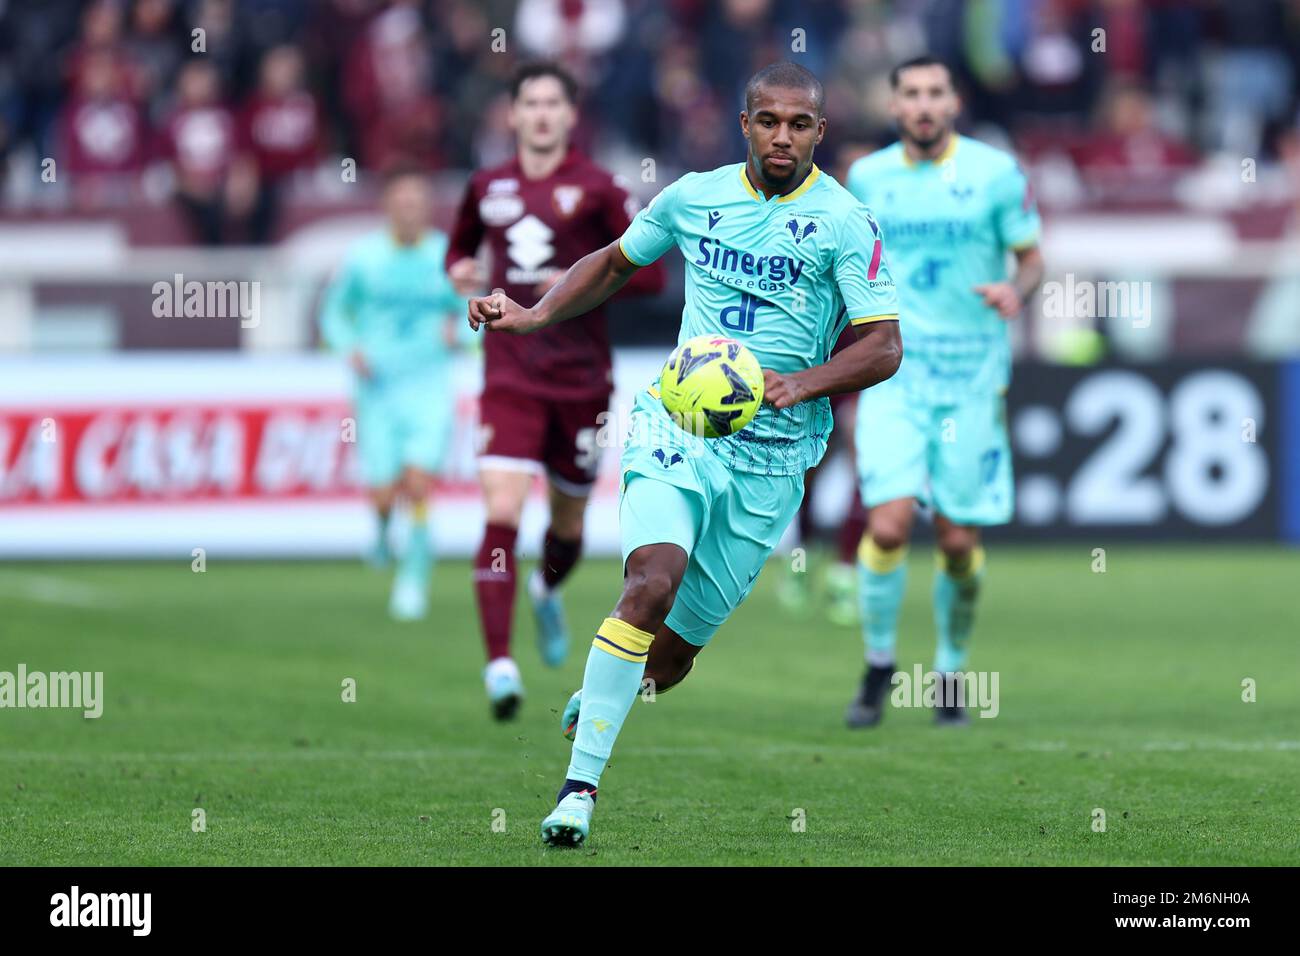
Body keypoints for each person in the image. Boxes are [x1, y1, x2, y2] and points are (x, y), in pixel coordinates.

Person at [468, 61, 902, 846]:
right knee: (649, 584)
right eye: (769, 120)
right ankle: (578, 792)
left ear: (819, 133)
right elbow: (611, 263)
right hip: (678, 426)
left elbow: (884, 347)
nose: (783, 136)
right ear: (744, 123)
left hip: (772, 460)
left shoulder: (847, 222)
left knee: (667, 663)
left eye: (799, 125)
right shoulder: (693, 196)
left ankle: (613, 684)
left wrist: (805, 383)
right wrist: (533, 315)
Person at [446, 61, 663, 720]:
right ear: (511, 115)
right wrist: (468, 284)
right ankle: (499, 665)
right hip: (509, 372)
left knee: (567, 524)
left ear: (571, 116)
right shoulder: (486, 187)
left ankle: (544, 589)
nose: (540, 114)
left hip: (582, 380)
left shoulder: (599, 189)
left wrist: (581, 277)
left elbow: (649, 275)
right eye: (529, 103)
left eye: (552, 103)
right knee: (502, 510)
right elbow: (458, 257)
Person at [843, 55, 1044, 727]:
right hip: (892, 374)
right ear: (895, 106)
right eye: (911, 94)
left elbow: (1033, 256)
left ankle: (952, 672)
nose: (924, 105)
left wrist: (1015, 290)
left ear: (954, 101)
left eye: (935, 92)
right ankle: (877, 668)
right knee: (890, 523)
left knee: (957, 542)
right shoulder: (866, 178)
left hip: (971, 379)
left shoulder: (995, 173)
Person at [319, 167, 466, 620]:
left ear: (426, 210)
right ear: (387, 208)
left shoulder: (446, 257)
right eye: (401, 203)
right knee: (384, 492)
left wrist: (458, 332)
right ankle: (383, 530)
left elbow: (471, 315)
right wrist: (350, 348)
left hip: (428, 387)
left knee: (418, 485)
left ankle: (412, 581)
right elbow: (333, 315)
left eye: (417, 203)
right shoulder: (364, 258)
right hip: (377, 389)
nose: (408, 211)